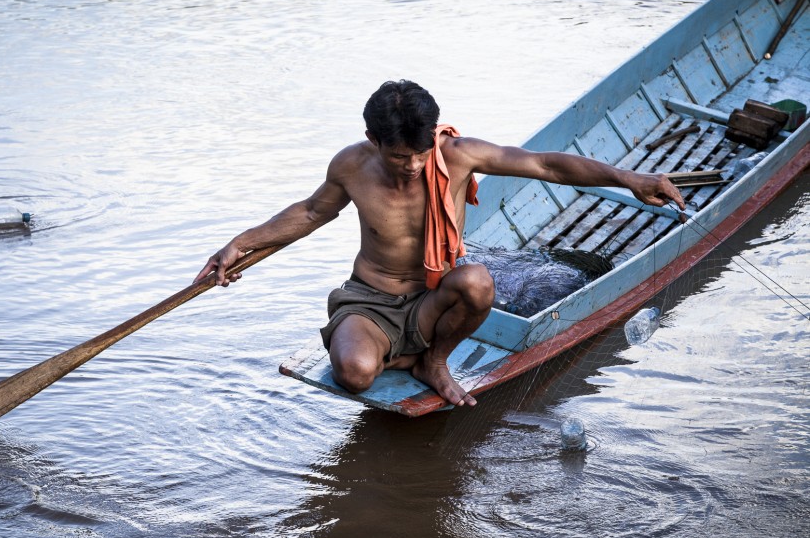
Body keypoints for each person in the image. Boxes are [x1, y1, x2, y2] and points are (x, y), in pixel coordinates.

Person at [195, 80, 685, 407]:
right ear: (372, 139)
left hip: (434, 296)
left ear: (434, 134)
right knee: (354, 374)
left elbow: (546, 165)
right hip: (370, 299)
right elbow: (309, 212)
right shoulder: (351, 165)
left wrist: (628, 178)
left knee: (476, 280)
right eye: (398, 156)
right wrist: (240, 243)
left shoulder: (458, 154)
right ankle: (391, 348)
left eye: (420, 152)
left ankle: (431, 360)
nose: (412, 166)